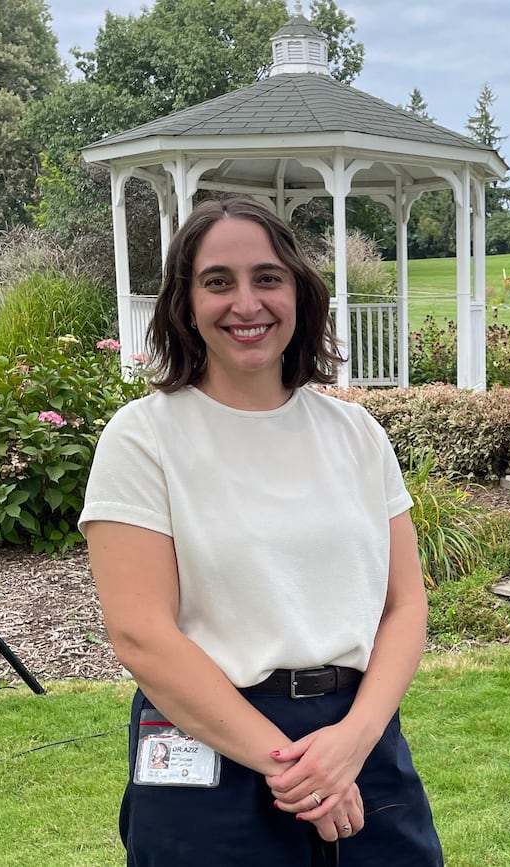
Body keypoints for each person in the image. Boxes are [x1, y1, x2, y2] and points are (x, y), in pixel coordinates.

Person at [80, 197, 443, 864]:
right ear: (185, 303)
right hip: (211, 746)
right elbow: (141, 634)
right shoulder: (144, 438)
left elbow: (405, 605)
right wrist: (293, 768)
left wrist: (350, 745)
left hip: (358, 742)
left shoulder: (357, 435)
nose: (246, 302)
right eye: (218, 281)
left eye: (267, 278)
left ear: (299, 293)